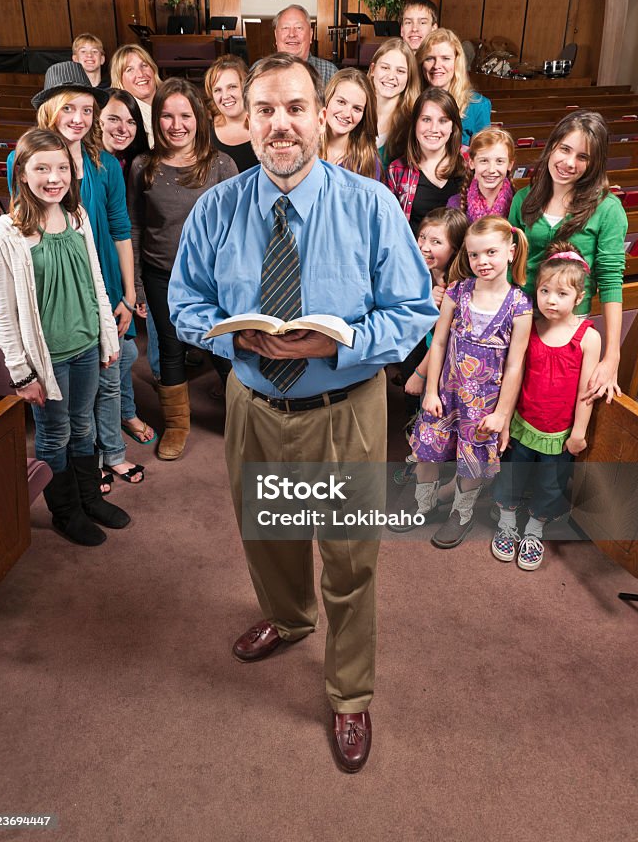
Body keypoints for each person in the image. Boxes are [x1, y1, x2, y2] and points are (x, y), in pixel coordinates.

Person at [168, 54, 436, 773]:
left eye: (294, 108)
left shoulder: (372, 206)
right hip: (253, 402)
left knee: (350, 557)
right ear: (243, 121)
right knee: (269, 534)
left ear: (321, 116)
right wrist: (225, 334)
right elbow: (185, 303)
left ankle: (349, 694)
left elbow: (414, 312)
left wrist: (339, 343)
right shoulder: (216, 208)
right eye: (264, 110)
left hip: (343, 404)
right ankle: (288, 619)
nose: (279, 124)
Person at [7, 62, 145, 491]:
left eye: (87, 110)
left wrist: (126, 292)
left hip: (104, 287)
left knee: (109, 376)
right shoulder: (26, 159)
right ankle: (71, 477)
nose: (79, 119)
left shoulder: (103, 163)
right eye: (69, 108)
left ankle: (109, 455)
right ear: (50, 109)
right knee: (64, 397)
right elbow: (24, 232)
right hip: (59, 293)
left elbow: (121, 229)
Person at [0, 128, 127, 546]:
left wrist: (108, 338)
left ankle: (89, 500)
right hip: (47, 357)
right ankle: (66, 513)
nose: (54, 177)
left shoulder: (77, 216)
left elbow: (96, 283)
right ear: (23, 174)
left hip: (85, 345)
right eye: (42, 168)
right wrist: (20, 373)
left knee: (84, 428)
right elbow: (4, 312)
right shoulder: (5, 232)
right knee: (55, 433)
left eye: (62, 167)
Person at [128, 78, 238, 460]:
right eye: (167, 115)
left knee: (224, 347)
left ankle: (242, 421)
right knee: (171, 348)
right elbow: (136, 226)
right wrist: (139, 287)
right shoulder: (144, 165)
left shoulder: (221, 164)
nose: (176, 124)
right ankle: (177, 424)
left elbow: (238, 230)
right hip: (161, 274)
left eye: (185, 115)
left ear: (199, 119)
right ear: (156, 120)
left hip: (212, 278)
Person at [409, 216, 533, 548]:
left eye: (491, 252)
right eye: (475, 254)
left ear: (510, 250)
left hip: (485, 404)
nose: (482, 262)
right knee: (426, 451)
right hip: (446, 394)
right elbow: (437, 342)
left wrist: (502, 414)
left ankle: (461, 514)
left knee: (472, 461)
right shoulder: (458, 290)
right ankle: (426, 505)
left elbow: (516, 365)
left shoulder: (520, 306)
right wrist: (430, 390)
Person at [491, 244, 601, 570]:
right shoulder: (531, 326)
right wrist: (506, 421)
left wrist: (579, 432)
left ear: (579, 297)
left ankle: (535, 530)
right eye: (544, 291)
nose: (551, 300)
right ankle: (507, 524)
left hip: (559, 431)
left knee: (550, 483)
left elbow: (586, 391)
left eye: (562, 293)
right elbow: (515, 376)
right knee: (512, 473)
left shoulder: (587, 338)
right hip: (524, 423)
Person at [509, 110, 627, 403]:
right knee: (512, 397)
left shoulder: (608, 209)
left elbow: (611, 280)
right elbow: (510, 264)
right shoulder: (524, 199)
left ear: (594, 164)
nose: (569, 163)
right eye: (564, 149)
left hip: (569, 323)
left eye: (583, 157)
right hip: (523, 315)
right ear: (552, 147)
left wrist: (612, 355)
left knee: (554, 406)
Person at [390, 206, 469, 503]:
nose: (424, 246)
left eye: (436, 242)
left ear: (456, 248)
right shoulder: (423, 270)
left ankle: (431, 476)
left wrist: (422, 374)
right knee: (415, 409)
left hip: (443, 363)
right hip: (420, 348)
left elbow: (444, 339)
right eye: (422, 237)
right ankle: (417, 456)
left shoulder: (458, 286)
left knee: (432, 413)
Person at [99, 88, 158, 445]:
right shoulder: (94, 163)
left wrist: (131, 285)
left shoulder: (125, 162)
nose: (123, 127)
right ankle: (121, 419)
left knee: (124, 351)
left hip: (118, 260)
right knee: (119, 352)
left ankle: (124, 413)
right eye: (114, 119)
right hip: (101, 262)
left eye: (131, 121)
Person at [386, 87, 465, 237]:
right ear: (415, 123)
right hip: (414, 254)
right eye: (426, 119)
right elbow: (390, 228)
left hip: (462, 257)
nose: (434, 129)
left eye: (443, 120)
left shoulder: (469, 162)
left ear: (453, 127)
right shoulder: (397, 170)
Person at [417, 28, 491, 145]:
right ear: (421, 63)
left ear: (457, 62)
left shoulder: (478, 106)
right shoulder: (411, 100)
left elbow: (483, 155)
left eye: (445, 58)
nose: (437, 66)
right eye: (429, 58)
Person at [368, 37, 421, 170]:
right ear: (373, 69)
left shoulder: (413, 123)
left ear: (409, 77)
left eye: (400, 71)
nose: (391, 76)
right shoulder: (355, 111)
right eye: (385, 67)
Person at [321, 69, 381, 179]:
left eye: (357, 109)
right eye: (341, 102)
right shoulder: (305, 147)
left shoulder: (368, 162)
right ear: (327, 99)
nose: (347, 114)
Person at [447, 127, 515, 221]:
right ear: (472, 163)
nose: (491, 169)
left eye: (499, 161)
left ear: (510, 165)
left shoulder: (518, 204)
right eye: (484, 161)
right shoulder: (456, 204)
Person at [205, 55, 259, 173]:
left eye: (232, 87)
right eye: (217, 90)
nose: (225, 96)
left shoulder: (265, 123)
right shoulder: (205, 129)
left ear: (246, 87)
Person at [273, 4, 338, 87]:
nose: (292, 34)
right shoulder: (260, 70)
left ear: (311, 35)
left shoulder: (329, 72)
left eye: (299, 27)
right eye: (285, 28)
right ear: (275, 35)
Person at [110, 44, 162, 148]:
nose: (140, 74)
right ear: (120, 80)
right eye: (130, 69)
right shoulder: (122, 122)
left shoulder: (174, 104)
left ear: (153, 70)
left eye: (144, 65)